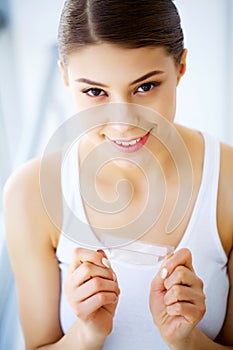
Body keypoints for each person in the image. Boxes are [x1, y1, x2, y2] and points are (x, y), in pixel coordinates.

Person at [3, 0, 233, 349]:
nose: (123, 123)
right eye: (95, 92)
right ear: (65, 76)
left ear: (181, 67)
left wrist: (187, 340)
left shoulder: (228, 181)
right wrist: (87, 333)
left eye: (145, 87)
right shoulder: (30, 192)